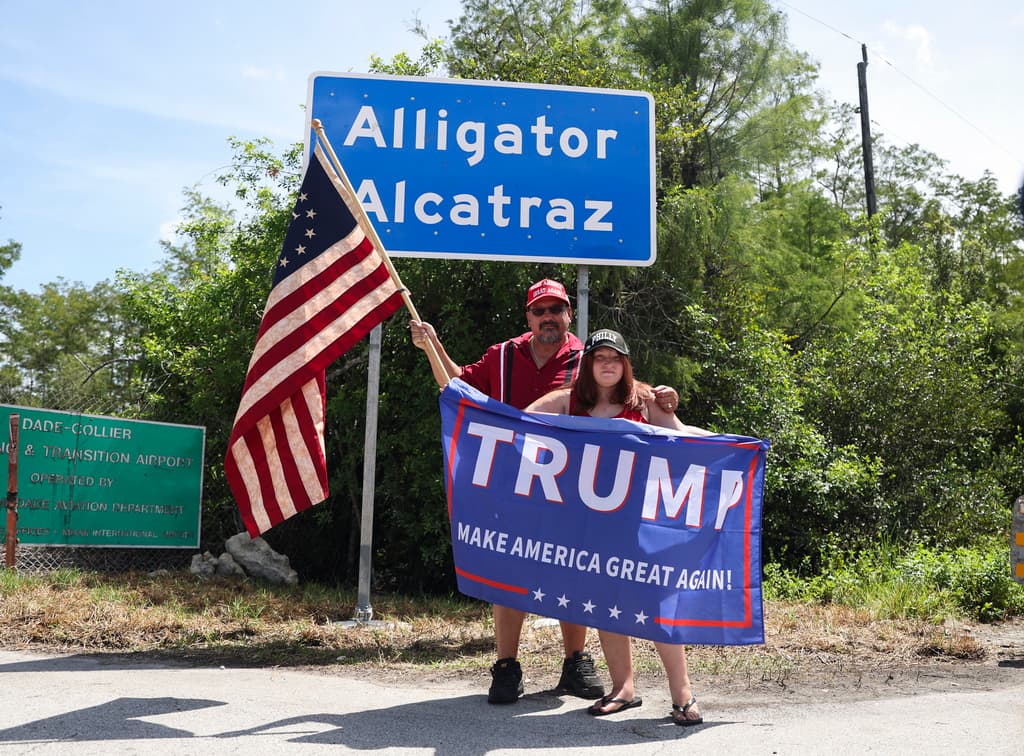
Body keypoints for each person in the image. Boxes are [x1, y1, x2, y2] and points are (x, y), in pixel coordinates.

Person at [409, 279, 681, 705]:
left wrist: (664, 396)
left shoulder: (584, 357)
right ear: (528, 317)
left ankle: (575, 661)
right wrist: (432, 346)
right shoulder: (503, 357)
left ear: (568, 314)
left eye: (557, 309)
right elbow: (458, 388)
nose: (548, 317)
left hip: (575, 492)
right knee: (510, 570)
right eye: (540, 311)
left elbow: (630, 392)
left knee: (575, 572)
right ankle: (506, 666)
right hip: (514, 486)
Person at [525, 328, 711, 726]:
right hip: (592, 525)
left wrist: (731, 444)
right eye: (598, 358)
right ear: (588, 364)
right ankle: (622, 689)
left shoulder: (643, 401)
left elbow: (680, 436)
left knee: (658, 606)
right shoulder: (568, 400)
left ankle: (683, 695)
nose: (607, 364)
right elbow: (516, 423)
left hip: (643, 523)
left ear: (624, 364)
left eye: (615, 358)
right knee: (607, 605)